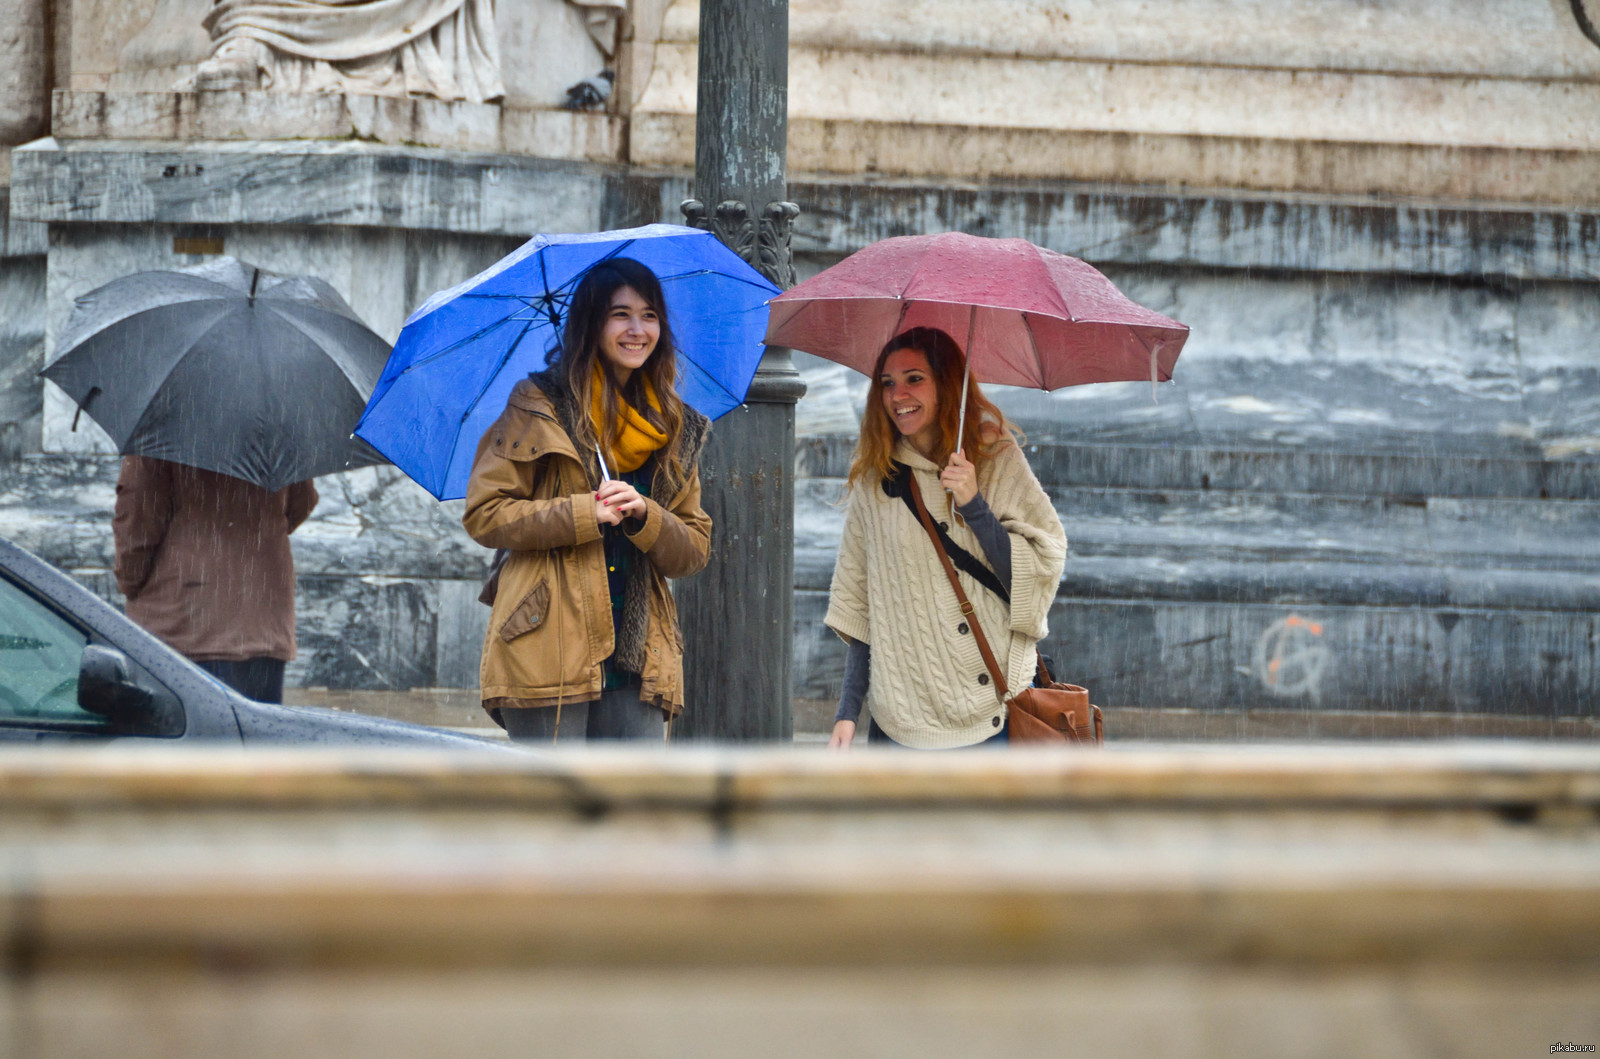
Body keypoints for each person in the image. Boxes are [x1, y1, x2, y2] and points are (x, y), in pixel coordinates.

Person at [462, 258, 712, 743]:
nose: (638, 330)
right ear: (592, 323)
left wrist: (647, 514)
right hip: (548, 642)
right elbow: (485, 514)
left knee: (631, 810)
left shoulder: (674, 426)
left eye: (650, 315)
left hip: (638, 651)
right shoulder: (538, 406)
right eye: (620, 314)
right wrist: (583, 513)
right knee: (553, 811)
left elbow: (694, 549)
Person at [825, 327, 1067, 749]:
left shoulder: (995, 456)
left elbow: (1033, 576)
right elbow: (864, 603)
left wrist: (974, 505)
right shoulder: (875, 477)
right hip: (900, 714)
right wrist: (847, 712)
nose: (898, 394)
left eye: (914, 378)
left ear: (946, 385)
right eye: (887, 383)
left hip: (990, 707)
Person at [112, 457, 318, 704]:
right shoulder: (278, 429)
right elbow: (303, 500)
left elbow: (137, 520)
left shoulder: (162, 432)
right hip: (263, 620)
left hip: (185, 621)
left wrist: (130, 581)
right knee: (256, 735)